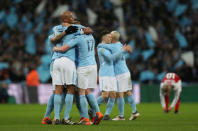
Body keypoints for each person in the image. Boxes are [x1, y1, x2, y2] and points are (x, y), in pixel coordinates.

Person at [53, 31, 104, 125]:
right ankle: (97, 112)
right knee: (87, 90)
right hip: (93, 65)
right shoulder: (91, 36)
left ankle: (84, 118)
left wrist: (56, 48)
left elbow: (64, 48)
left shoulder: (78, 38)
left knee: (80, 93)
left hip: (82, 66)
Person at [101, 31, 139, 120]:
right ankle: (134, 111)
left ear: (112, 38)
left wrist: (100, 44)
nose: (109, 37)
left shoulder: (112, 46)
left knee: (119, 94)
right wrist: (127, 50)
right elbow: (125, 50)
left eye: (110, 36)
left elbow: (101, 45)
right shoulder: (119, 44)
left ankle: (121, 116)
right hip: (126, 71)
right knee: (128, 91)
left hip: (119, 73)